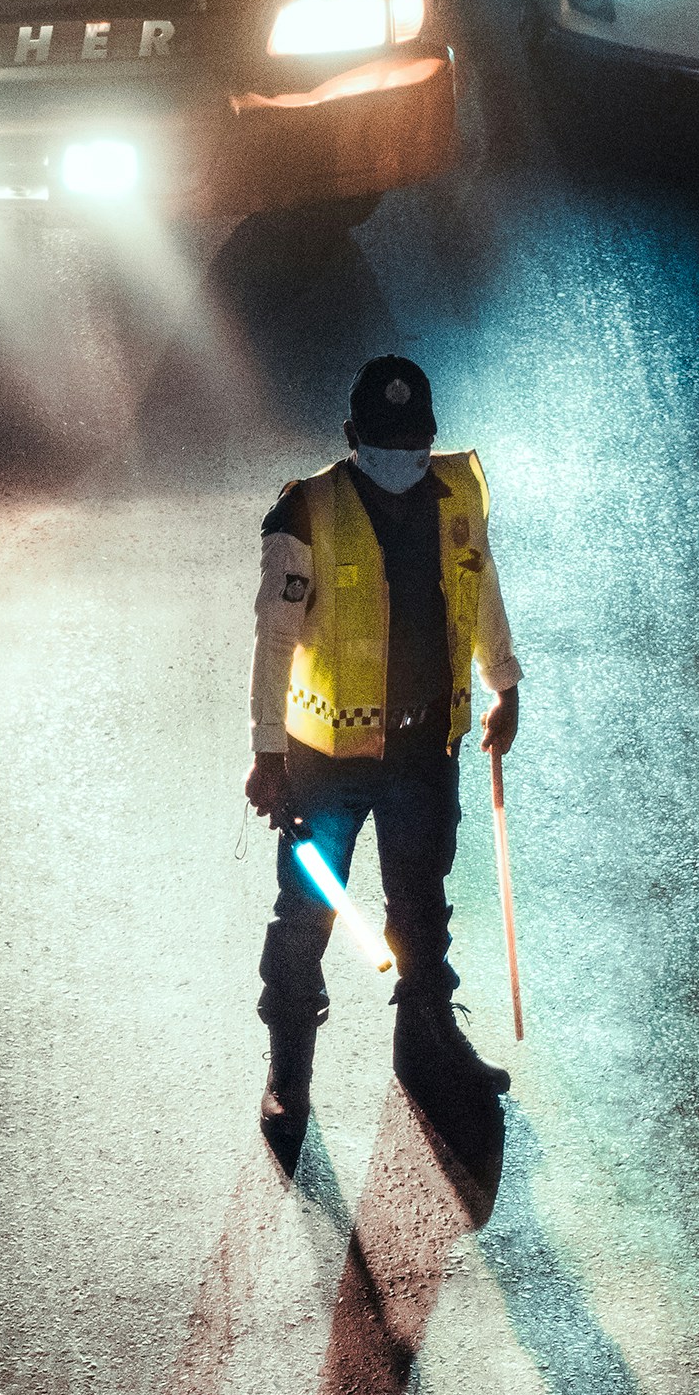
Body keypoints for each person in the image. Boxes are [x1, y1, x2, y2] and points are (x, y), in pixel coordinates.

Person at [245, 356, 522, 1157]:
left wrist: (504, 683)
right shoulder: (306, 512)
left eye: (415, 443)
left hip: (424, 748)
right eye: (386, 444)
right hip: (325, 760)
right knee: (306, 916)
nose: (403, 458)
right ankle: (289, 1074)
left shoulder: (458, 492)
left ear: (431, 436)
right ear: (351, 436)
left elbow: (481, 585)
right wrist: (268, 753)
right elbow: (274, 640)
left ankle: (428, 1048)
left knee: (421, 908)